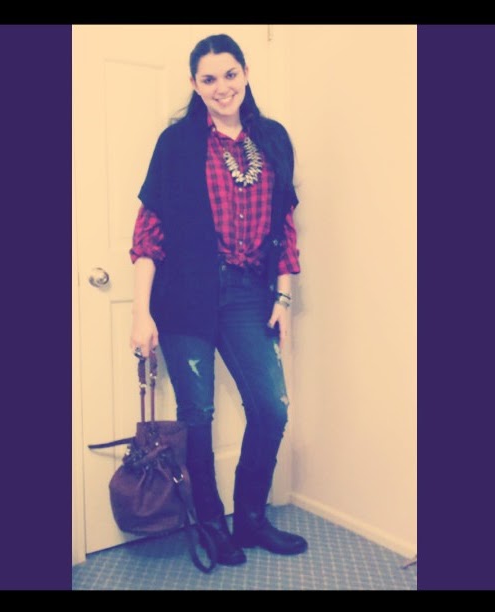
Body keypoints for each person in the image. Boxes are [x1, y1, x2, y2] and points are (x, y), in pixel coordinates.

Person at [129, 33, 307, 566]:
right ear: (194, 84)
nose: (222, 87)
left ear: (245, 73)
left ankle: (250, 518)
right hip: (185, 296)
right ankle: (211, 525)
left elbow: (285, 227)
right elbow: (149, 230)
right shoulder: (177, 143)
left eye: (230, 74)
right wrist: (140, 312)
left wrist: (283, 297)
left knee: (271, 408)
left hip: (250, 294)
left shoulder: (273, 139)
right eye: (208, 78)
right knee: (198, 416)